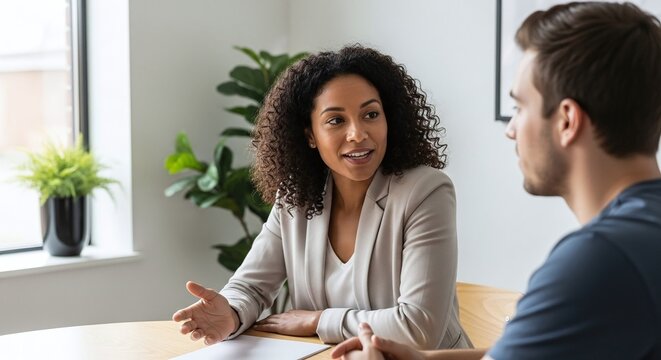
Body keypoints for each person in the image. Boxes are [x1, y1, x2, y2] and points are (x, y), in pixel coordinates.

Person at [332, 2, 661, 359]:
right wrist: (424, 359)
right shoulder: (641, 238)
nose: (512, 130)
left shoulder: (596, 262)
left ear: (567, 121)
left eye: (520, 108)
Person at [172, 45, 472, 350]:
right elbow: (251, 286)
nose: (357, 133)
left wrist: (318, 321)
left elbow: (419, 328)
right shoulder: (296, 197)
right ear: (310, 135)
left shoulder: (426, 192)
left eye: (371, 114)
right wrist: (231, 312)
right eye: (336, 120)